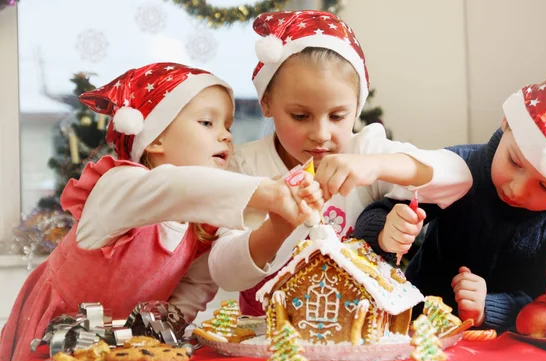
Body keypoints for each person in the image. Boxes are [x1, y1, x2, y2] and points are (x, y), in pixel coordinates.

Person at [0, 62, 323, 361]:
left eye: (228, 125)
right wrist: (266, 191)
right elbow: (172, 186)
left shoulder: (201, 226)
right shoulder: (120, 187)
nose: (225, 135)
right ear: (154, 140)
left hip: (123, 352)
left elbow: (193, 291)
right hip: (53, 339)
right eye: (207, 122)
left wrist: (164, 333)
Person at [167, 10, 472, 317]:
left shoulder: (364, 150)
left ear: (357, 106)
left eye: (338, 116)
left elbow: (459, 174)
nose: (321, 134)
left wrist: (378, 165)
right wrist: (278, 225)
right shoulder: (246, 167)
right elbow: (224, 273)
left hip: (360, 336)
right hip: (270, 341)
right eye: (300, 116)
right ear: (267, 103)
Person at [354, 60, 546, 332]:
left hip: (513, 348)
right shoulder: (457, 166)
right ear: (507, 123)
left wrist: (489, 308)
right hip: (418, 326)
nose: (517, 189)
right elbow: (371, 217)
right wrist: (386, 230)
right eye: (514, 162)